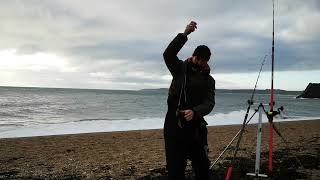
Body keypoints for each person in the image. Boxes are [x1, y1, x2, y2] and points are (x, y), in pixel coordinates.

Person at [163, 21, 215, 180]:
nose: (200, 62)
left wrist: (195, 112)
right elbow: (168, 54)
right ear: (193, 56)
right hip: (174, 126)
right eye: (197, 58)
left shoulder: (209, 80)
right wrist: (184, 34)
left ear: (207, 61)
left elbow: (209, 103)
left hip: (196, 128)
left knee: (202, 167)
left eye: (203, 61)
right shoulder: (179, 69)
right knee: (175, 170)